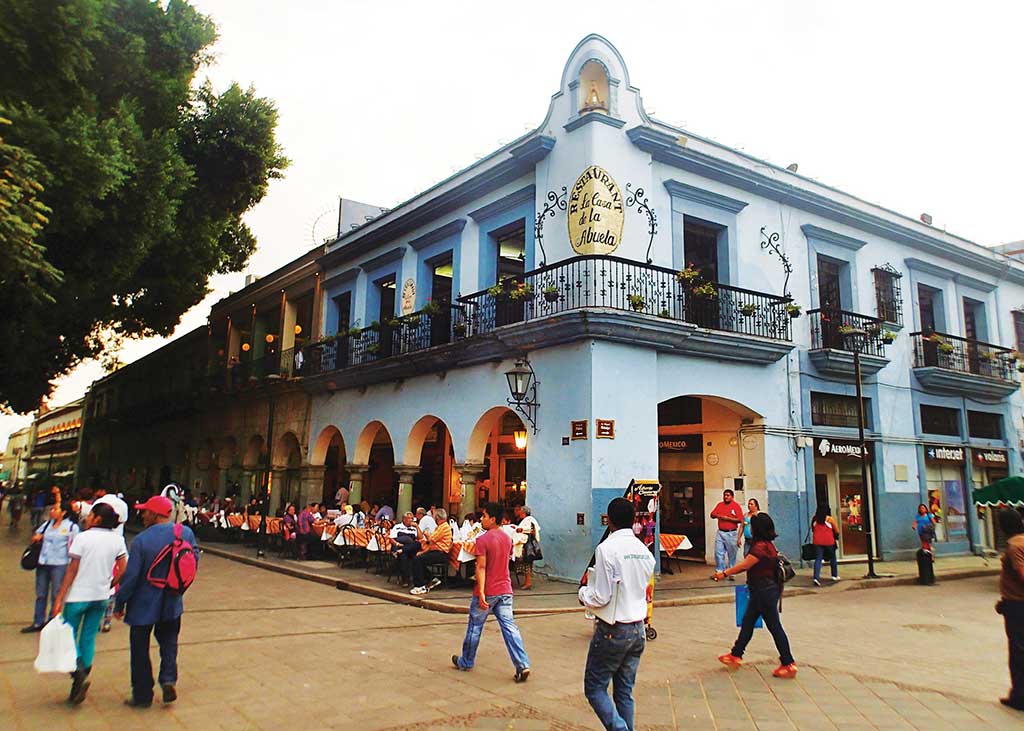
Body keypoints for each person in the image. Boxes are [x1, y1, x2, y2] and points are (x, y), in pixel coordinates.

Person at [579, 497, 656, 731]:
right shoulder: (644, 552)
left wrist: (583, 593)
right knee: (624, 691)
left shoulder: (606, 549)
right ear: (633, 519)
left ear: (609, 521)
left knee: (594, 688)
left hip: (614, 628)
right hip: (638, 628)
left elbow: (601, 595)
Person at [115, 495, 200, 708]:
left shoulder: (142, 541)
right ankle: (168, 679)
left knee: (140, 649)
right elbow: (193, 559)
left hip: (143, 604)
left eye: (145, 511)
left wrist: (119, 602)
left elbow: (132, 577)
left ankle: (143, 694)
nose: (142, 515)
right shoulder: (185, 533)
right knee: (169, 643)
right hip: (172, 600)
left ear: (154, 514)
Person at [51, 502, 129, 705]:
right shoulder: (117, 540)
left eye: (91, 515)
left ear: (98, 519)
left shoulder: (82, 538)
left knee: (68, 637)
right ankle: (80, 681)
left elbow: (72, 570)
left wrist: (60, 597)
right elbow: (123, 568)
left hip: (78, 596)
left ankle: (78, 674)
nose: (87, 517)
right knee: (88, 638)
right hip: (101, 596)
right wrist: (111, 583)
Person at [451, 502, 530, 682]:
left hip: (489, 590)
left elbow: (481, 567)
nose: (481, 519)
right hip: (505, 589)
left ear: (493, 519)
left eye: (484, 516)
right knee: (510, 627)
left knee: (475, 626)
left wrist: (481, 592)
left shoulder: (483, 539)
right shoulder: (507, 538)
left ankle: (466, 661)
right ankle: (522, 663)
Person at [714, 512, 797, 679]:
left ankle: (788, 663)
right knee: (748, 622)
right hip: (763, 590)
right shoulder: (768, 545)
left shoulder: (760, 547)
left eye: (751, 526)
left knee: (774, 627)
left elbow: (745, 565)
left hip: (763, 591)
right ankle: (736, 654)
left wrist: (724, 573)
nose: (749, 528)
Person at [22, 501, 79, 633]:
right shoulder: (47, 524)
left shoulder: (71, 527)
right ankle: (37, 621)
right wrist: (37, 537)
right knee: (41, 594)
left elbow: (76, 546)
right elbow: (36, 534)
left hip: (60, 564)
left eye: (55, 509)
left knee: (56, 594)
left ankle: (52, 621)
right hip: (43, 562)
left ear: (63, 512)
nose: (52, 511)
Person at [996, 508, 1024, 711]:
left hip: (1018, 606)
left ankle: (1019, 696)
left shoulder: (1014, 547)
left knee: (1018, 651)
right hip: (1013, 603)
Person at [411, 508, 453, 595]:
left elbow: (431, 539)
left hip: (441, 554)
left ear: (437, 518)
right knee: (417, 558)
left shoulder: (444, 527)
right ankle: (432, 579)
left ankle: (420, 585)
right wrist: (422, 552)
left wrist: (426, 534)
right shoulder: (440, 527)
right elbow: (431, 545)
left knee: (417, 560)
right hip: (436, 551)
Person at [710, 489, 744, 579]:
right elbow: (712, 514)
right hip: (720, 532)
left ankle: (731, 572)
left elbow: (740, 520)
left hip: (731, 533)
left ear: (732, 497)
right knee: (718, 553)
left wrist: (727, 518)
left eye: (728, 495)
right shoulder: (720, 505)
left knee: (732, 554)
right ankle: (719, 571)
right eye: (725, 495)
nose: (726, 497)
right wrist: (717, 515)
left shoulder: (736, 506)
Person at [811, 504, 841, 586]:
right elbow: (837, 530)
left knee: (818, 559)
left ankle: (816, 578)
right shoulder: (829, 519)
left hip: (817, 542)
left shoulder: (814, 519)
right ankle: (834, 575)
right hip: (829, 542)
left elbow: (813, 529)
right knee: (832, 558)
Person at [389, 512, 421, 587]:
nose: (411, 520)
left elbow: (420, 538)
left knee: (414, 549)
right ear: (404, 519)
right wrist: (398, 544)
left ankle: (403, 550)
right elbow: (391, 539)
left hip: (410, 549)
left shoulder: (413, 528)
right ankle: (406, 579)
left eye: (412, 518)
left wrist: (417, 527)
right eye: (409, 518)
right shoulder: (397, 527)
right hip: (399, 546)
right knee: (404, 556)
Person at [516, 506, 541, 591]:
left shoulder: (529, 520)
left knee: (527, 563)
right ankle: (527, 582)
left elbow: (531, 530)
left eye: (520, 512)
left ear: (523, 513)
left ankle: (528, 582)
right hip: (527, 544)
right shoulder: (527, 520)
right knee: (527, 564)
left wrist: (520, 529)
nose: (519, 514)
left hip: (527, 545)